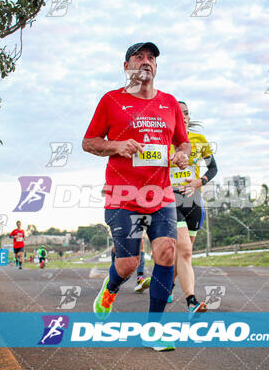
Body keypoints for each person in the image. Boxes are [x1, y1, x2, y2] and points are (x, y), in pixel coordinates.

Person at [83, 42, 191, 351]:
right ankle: (111, 286)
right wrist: (116, 146)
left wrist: (182, 155)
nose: (146, 62)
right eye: (139, 57)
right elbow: (89, 142)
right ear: (127, 65)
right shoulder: (111, 100)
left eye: (151, 58)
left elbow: (182, 143)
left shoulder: (169, 103)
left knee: (167, 252)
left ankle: (152, 330)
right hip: (123, 194)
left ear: (156, 67)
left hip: (161, 193)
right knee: (129, 264)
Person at [168, 101, 218, 317]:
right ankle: (191, 301)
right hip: (171, 200)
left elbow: (213, 167)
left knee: (184, 254)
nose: (185, 117)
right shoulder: (162, 141)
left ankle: (167, 285)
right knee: (185, 250)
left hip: (194, 201)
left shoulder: (199, 141)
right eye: (180, 114)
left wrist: (200, 182)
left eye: (187, 113)